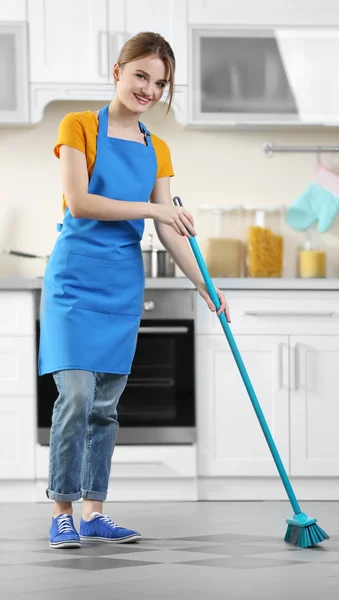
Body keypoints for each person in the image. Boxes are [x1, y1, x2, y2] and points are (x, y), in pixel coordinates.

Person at [39, 31, 231, 550]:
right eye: (141, 75)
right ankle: (62, 510)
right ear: (118, 71)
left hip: (122, 283)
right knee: (76, 395)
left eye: (159, 82)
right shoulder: (78, 126)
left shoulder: (157, 148)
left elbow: (170, 229)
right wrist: (153, 209)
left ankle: (96, 511)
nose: (148, 88)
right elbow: (79, 202)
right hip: (75, 280)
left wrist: (204, 287)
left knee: (104, 405)